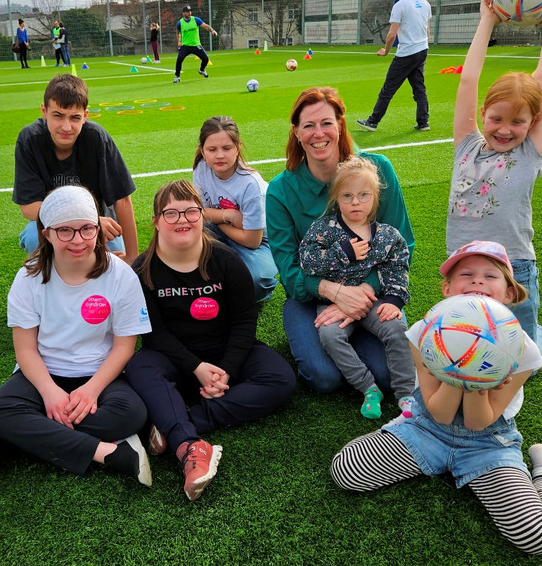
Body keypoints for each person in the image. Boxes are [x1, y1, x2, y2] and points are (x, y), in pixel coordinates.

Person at [331, 241, 542, 555]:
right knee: (346, 470)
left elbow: (478, 420)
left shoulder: (524, 350)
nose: (477, 281)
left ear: (509, 294)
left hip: (487, 442)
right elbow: (440, 413)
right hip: (426, 427)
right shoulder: (423, 333)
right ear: (448, 289)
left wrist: (479, 382)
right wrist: (458, 367)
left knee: (540, 538)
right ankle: (425, 455)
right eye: (466, 274)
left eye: (490, 276)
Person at [125, 180, 295, 500]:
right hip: (174, 359)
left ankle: (180, 423)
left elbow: (245, 322)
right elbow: (155, 335)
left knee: (280, 378)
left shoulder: (225, 259)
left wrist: (226, 368)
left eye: (191, 211)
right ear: (157, 221)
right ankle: (190, 446)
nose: (182, 220)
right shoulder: (142, 269)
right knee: (140, 367)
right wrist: (197, 367)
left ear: (203, 216)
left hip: (225, 351)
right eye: (171, 213)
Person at [0, 185, 153, 485]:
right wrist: (49, 392)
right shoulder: (28, 278)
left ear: (98, 230)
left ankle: (19, 439)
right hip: (43, 374)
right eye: (65, 231)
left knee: (132, 414)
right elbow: (26, 351)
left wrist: (91, 390)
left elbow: (125, 347)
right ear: (46, 234)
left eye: (87, 229)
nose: (78, 241)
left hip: (101, 374)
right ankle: (108, 452)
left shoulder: (121, 275)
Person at [266, 87, 414, 394]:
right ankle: (327, 340)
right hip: (312, 299)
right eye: (308, 125)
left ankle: (355, 337)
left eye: (326, 123)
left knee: (389, 377)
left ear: (340, 125)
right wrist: (332, 291)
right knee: (324, 378)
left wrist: (363, 292)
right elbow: (289, 268)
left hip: (370, 293)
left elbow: (402, 245)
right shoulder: (280, 190)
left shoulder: (378, 170)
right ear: (296, 132)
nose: (318, 133)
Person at [448, 0, 542, 347]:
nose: (504, 129)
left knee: (519, 357)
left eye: (517, 122)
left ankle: (537, 336)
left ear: (533, 122)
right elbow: (468, 80)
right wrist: (487, 19)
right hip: (465, 267)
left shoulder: (530, 152)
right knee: (469, 346)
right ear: (483, 113)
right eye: (496, 118)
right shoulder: (466, 145)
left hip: (512, 269)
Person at [298, 156, 414, 419]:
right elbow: (307, 262)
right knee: (329, 335)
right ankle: (369, 389)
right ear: (336, 198)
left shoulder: (386, 235)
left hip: (372, 301)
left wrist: (394, 300)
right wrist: (342, 253)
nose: (355, 202)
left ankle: (407, 394)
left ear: (374, 197)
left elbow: (398, 266)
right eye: (347, 195)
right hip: (332, 305)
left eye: (363, 195)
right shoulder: (324, 230)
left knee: (396, 327)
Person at [13, 74, 139, 261]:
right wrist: (88, 222)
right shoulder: (30, 140)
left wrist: (132, 257)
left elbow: (123, 199)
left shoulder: (96, 137)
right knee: (33, 238)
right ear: (44, 111)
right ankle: (49, 277)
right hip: (55, 223)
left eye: (75, 118)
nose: (66, 126)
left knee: (114, 256)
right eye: (58, 115)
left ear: (85, 116)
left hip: (101, 221)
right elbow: (29, 207)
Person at [191, 116, 277, 302]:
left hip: (261, 242)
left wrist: (217, 220)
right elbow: (198, 213)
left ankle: (262, 288)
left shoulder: (251, 186)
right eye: (212, 149)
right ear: (203, 151)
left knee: (256, 281)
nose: (219, 155)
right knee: (185, 237)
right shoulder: (201, 168)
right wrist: (227, 215)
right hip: (221, 228)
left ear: (238, 148)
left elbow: (253, 240)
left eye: (227, 148)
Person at [356, 0, 432, 133]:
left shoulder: (401, 5)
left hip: (407, 53)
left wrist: (386, 50)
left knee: (388, 89)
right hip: (422, 50)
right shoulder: (425, 3)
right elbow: (427, 30)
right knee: (419, 87)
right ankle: (423, 122)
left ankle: (373, 122)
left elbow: (391, 34)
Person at [173, 5, 217, 83]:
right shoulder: (180, 23)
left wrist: (212, 30)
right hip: (185, 46)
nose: (189, 13)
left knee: (205, 59)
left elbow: (205, 26)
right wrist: (179, 42)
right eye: (187, 12)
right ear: (183, 13)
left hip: (196, 45)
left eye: (190, 11)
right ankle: (177, 76)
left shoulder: (196, 20)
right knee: (179, 60)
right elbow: (178, 33)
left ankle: (202, 70)